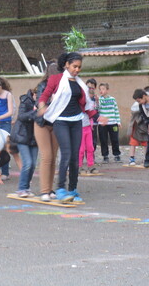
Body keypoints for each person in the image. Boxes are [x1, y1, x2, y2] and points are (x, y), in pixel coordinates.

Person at [38, 52, 106, 202]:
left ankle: (73, 190)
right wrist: (42, 107)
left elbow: (87, 106)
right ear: (66, 65)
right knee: (67, 154)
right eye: (74, 66)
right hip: (60, 121)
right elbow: (44, 96)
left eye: (79, 67)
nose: (77, 70)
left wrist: (97, 117)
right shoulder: (55, 79)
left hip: (77, 121)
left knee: (75, 158)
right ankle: (61, 188)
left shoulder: (80, 84)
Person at [34, 62, 60, 202]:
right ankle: (44, 191)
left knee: (53, 157)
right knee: (47, 156)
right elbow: (40, 102)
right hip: (42, 124)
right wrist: (49, 103)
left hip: (56, 124)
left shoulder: (63, 87)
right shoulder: (43, 86)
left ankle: (50, 189)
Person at [12, 88, 38, 197]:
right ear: (34, 94)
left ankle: (26, 188)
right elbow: (21, 116)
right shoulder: (25, 100)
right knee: (27, 163)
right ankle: (21, 188)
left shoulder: (45, 103)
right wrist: (35, 111)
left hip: (34, 137)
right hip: (22, 135)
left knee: (33, 164)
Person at [98, 83, 121, 163]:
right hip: (102, 124)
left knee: (115, 139)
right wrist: (98, 101)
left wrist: (118, 121)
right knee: (103, 140)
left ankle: (117, 155)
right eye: (100, 89)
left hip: (113, 123)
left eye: (103, 89)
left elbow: (116, 110)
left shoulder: (112, 99)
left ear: (107, 90)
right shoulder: (99, 99)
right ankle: (105, 156)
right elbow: (97, 109)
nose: (101, 91)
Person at [78, 93, 97, 174]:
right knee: (81, 149)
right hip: (80, 128)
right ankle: (79, 166)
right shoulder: (77, 106)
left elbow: (93, 113)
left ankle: (91, 165)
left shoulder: (88, 106)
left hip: (88, 127)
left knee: (90, 147)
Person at [127, 100, 148, 165]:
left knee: (146, 144)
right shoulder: (136, 105)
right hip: (135, 129)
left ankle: (147, 158)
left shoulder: (147, 104)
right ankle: (132, 158)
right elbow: (135, 116)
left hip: (144, 128)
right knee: (133, 144)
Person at [86, 78, 99, 152]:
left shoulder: (95, 98)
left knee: (94, 139)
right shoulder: (83, 97)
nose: (90, 89)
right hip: (85, 122)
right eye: (88, 87)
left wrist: (97, 101)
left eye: (92, 88)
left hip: (94, 122)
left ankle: (92, 153)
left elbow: (98, 110)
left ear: (95, 88)